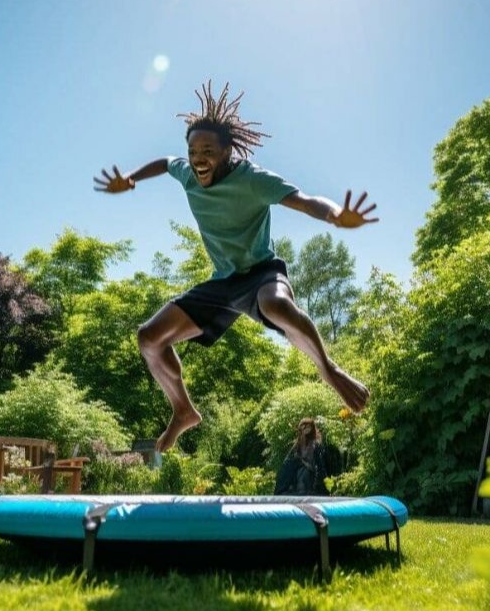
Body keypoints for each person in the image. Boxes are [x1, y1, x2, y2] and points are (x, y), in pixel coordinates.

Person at [93, 81, 378, 452]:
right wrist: (131, 178)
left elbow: (306, 201)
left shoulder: (253, 179)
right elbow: (165, 163)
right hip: (224, 284)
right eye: (193, 150)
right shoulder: (186, 172)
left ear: (227, 151)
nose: (199, 158)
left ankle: (329, 368)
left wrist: (337, 215)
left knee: (276, 305)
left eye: (208, 151)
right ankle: (182, 410)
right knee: (149, 338)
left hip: (262, 272)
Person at [274, 418, 334, 496]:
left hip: (313, 481)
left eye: (308, 426)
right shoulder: (297, 446)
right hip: (297, 481)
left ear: (312, 428)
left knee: (306, 473)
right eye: (303, 426)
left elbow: (321, 468)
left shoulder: (317, 446)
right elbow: (288, 464)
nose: (305, 428)